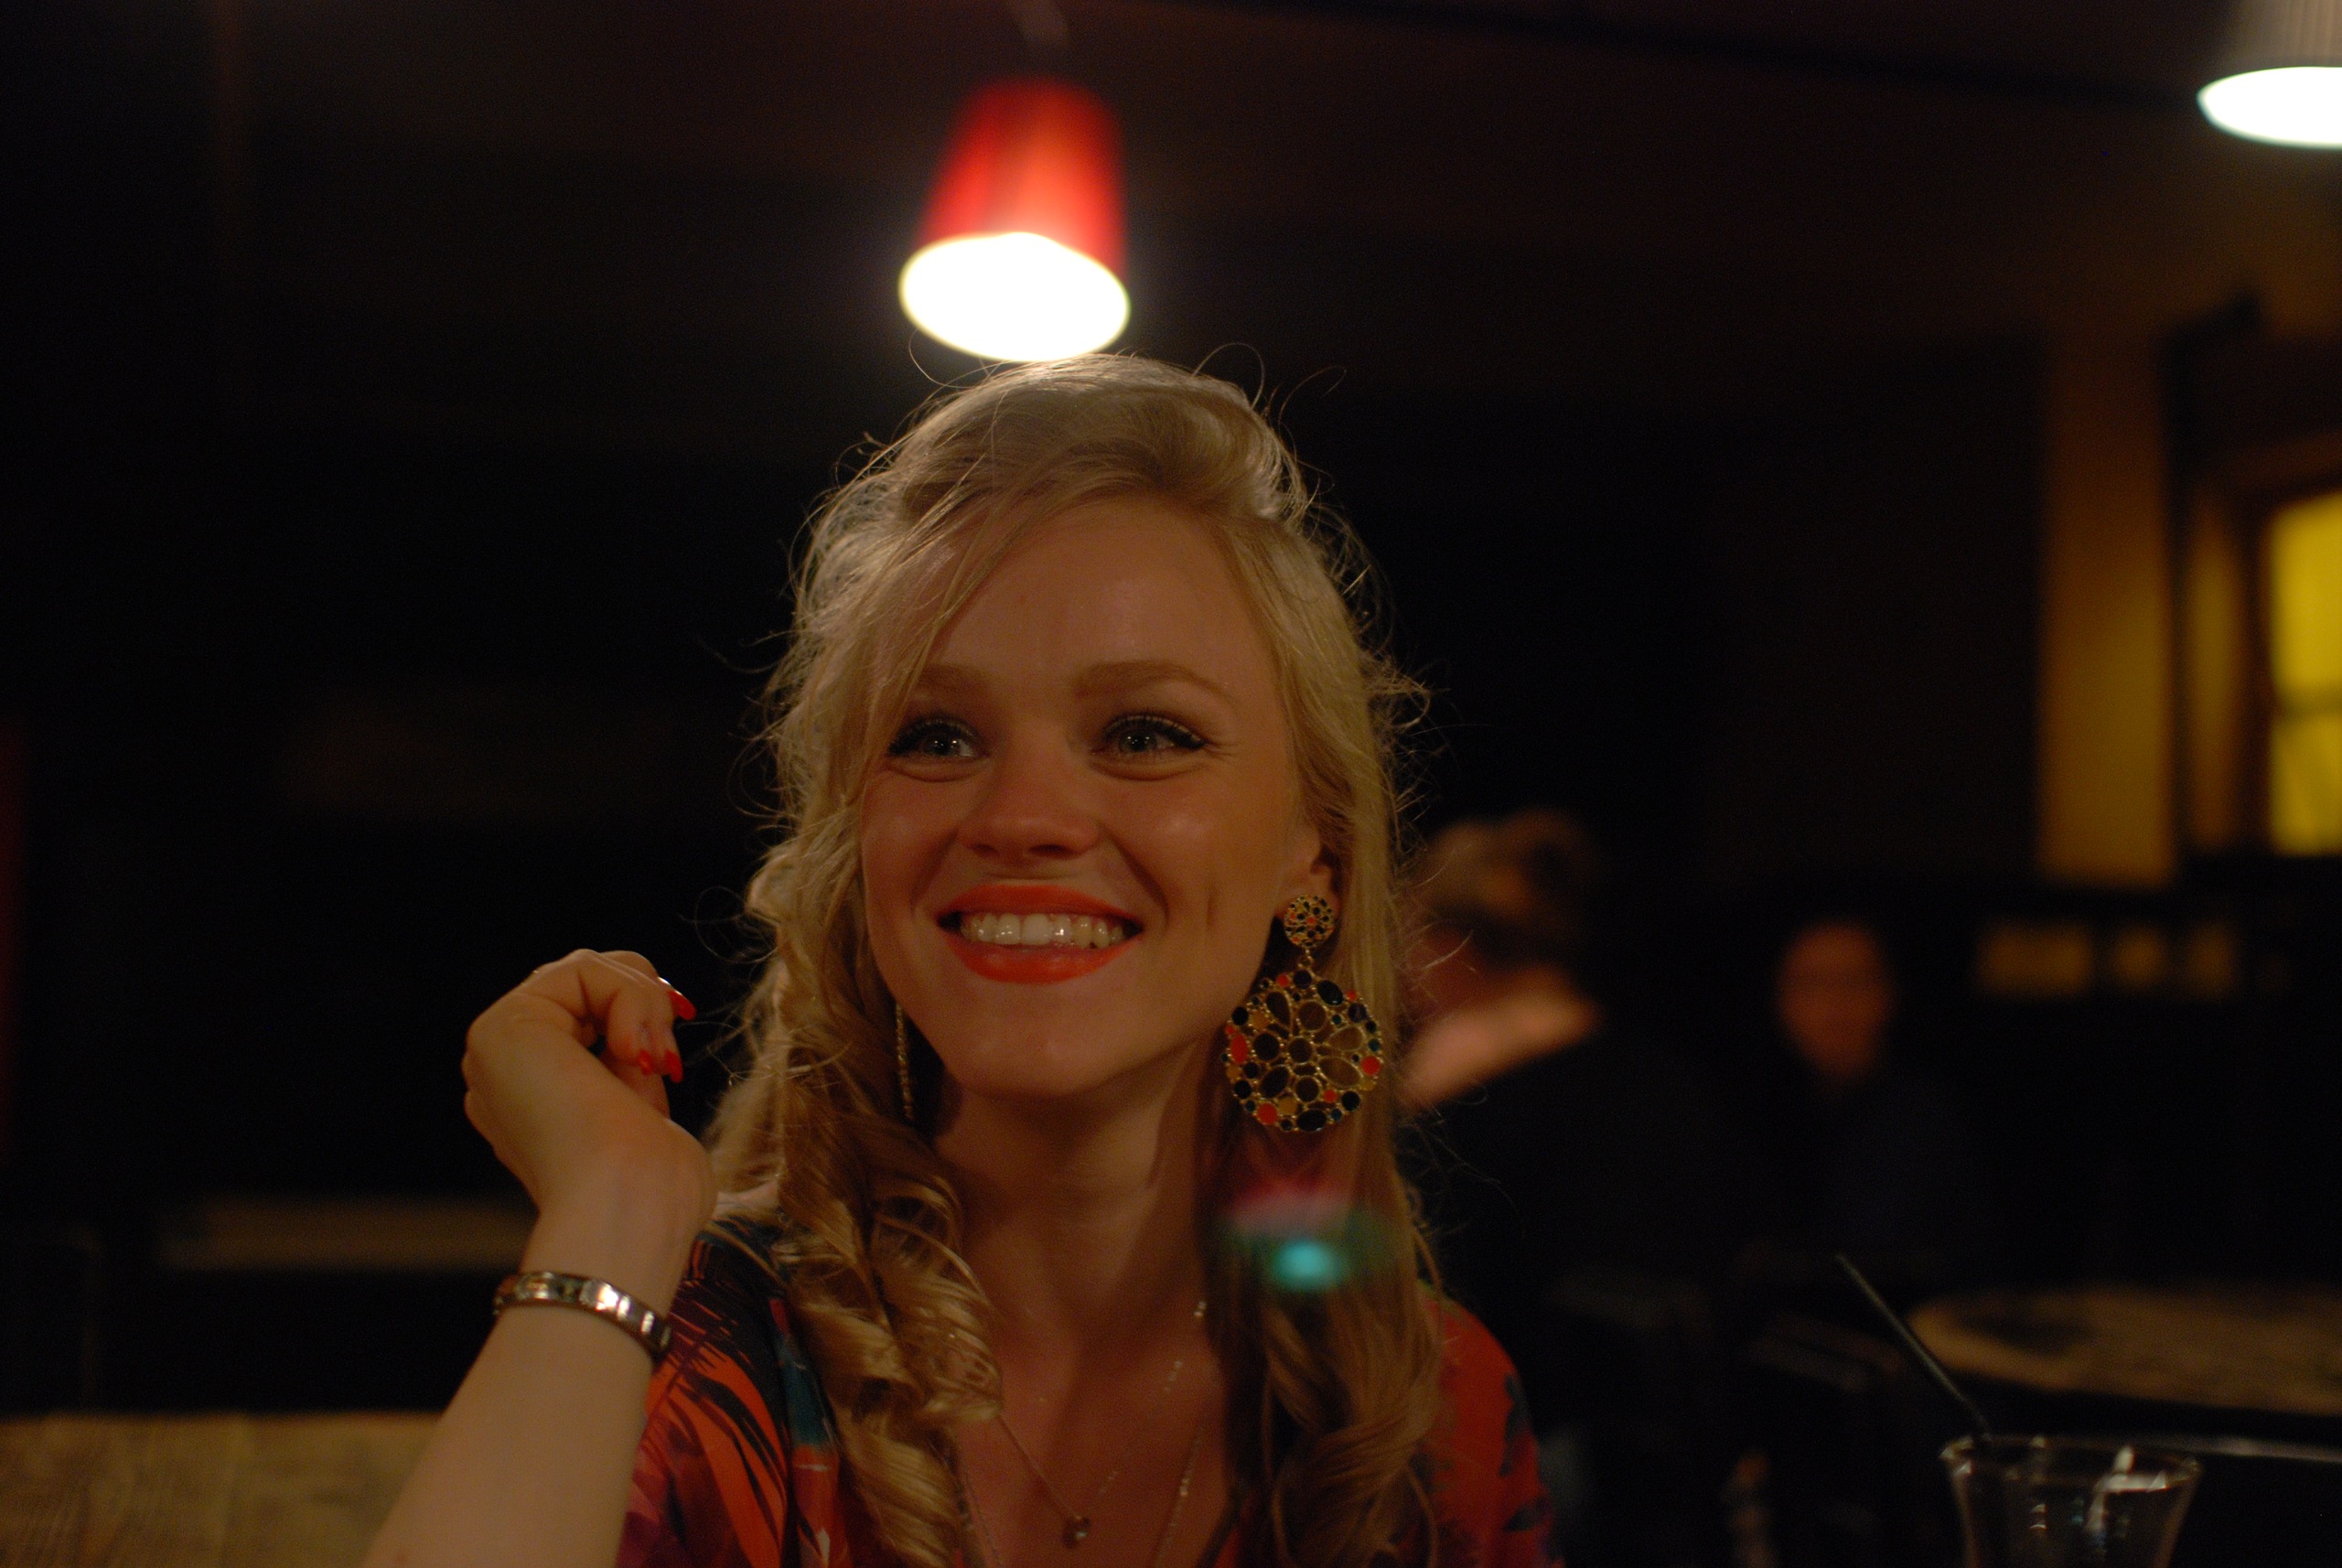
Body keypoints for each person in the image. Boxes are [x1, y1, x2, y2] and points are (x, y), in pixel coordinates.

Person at [361, 357, 1549, 1568]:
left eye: (1145, 733)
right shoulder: (690, 1354)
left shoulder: (1427, 1412)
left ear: (1317, 857)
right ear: (855, 841)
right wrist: (613, 1212)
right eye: (936, 736)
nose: (1022, 815)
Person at [1758, 915, 1999, 1300]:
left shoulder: (1926, 1122)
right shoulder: (1758, 1120)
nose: (1834, 1005)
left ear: (1890, 995)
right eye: (1812, 984)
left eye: (1854, 982)